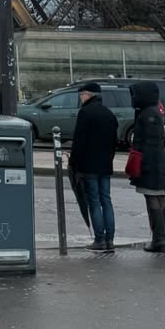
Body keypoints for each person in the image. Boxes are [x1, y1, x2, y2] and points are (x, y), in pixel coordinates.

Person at [69, 82, 118, 252]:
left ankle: (99, 239)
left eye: (81, 95)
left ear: (88, 95)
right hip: (105, 164)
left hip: (88, 165)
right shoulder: (109, 114)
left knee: (94, 202)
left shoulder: (85, 113)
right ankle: (110, 239)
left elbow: (79, 142)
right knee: (106, 200)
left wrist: (74, 164)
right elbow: (114, 143)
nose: (80, 98)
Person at [129, 81, 165, 253]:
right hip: (157, 161)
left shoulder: (148, 115)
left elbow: (148, 142)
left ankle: (159, 239)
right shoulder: (153, 112)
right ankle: (162, 238)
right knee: (159, 198)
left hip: (150, 162)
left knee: (153, 198)